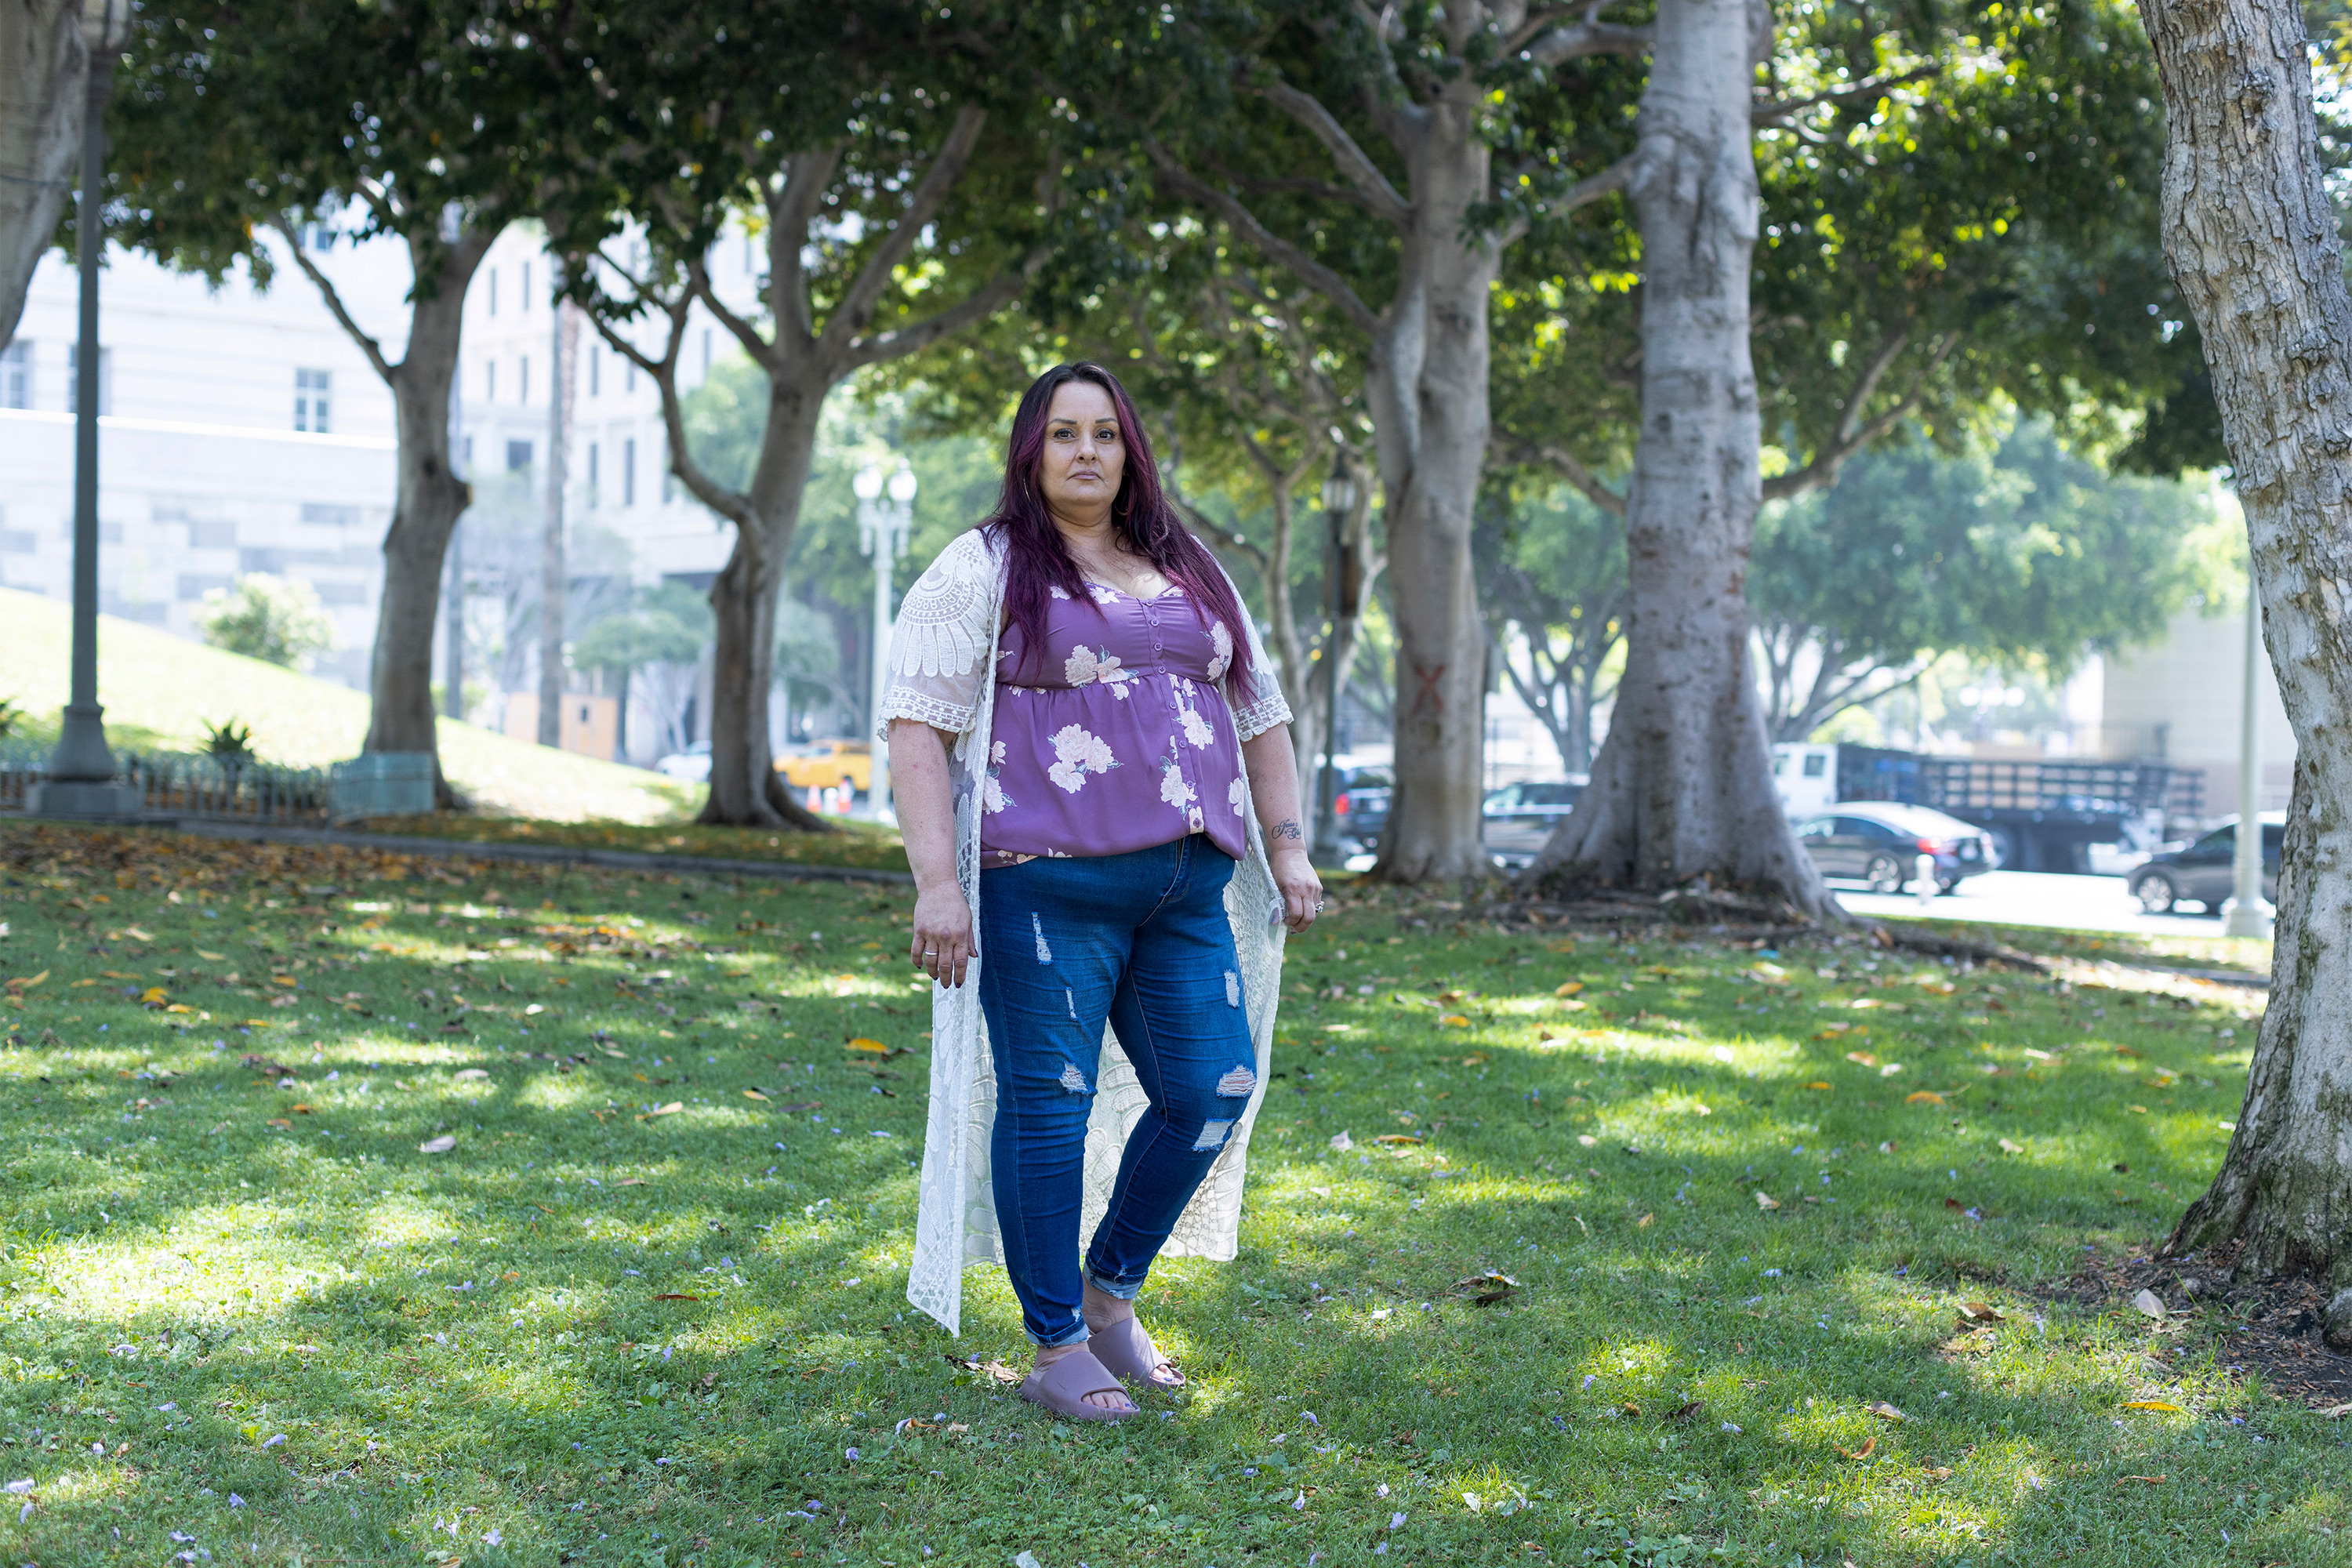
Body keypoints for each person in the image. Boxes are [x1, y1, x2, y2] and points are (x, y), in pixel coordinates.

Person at [880, 362, 1323, 1421]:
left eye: (1107, 435)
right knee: (1050, 1108)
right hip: (1046, 887)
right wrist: (936, 887)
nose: (1087, 452)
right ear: (1031, 450)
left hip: (1187, 885)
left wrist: (1291, 849)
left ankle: (1110, 1296)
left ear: (1132, 452)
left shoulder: (1189, 566)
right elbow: (916, 731)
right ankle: (1055, 1346)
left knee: (1212, 1089)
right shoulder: (983, 568)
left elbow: (1260, 719)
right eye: (1065, 433)